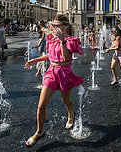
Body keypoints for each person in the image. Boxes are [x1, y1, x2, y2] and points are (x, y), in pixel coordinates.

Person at [24, 15, 84, 148]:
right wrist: (36, 60)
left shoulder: (70, 41)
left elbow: (65, 57)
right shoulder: (51, 39)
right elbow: (51, 56)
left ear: (66, 26)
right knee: (41, 106)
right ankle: (40, 131)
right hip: (51, 72)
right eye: (53, 25)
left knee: (65, 100)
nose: (54, 28)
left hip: (64, 73)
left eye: (58, 25)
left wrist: (62, 40)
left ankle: (71, 114)